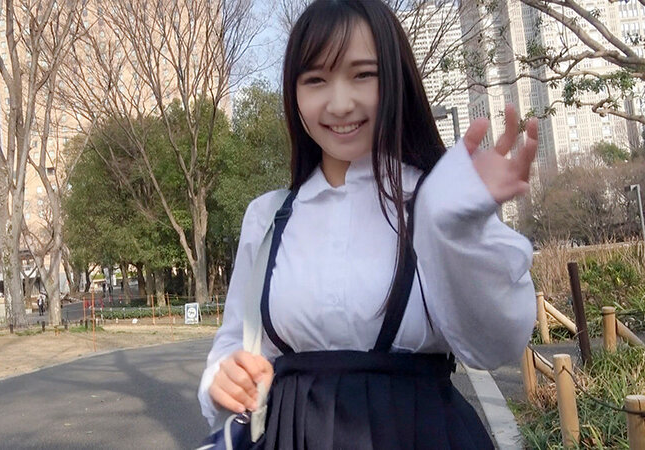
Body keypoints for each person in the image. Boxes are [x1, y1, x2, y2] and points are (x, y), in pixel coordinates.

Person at [197, 1, 538, 448]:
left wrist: (457, 228)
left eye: (363, 75)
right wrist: (221, 380)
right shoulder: (268, 217)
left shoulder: (438, 202)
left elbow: (494, 346)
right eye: (315, 80)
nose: (340, 104)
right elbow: (234, 344)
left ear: (396, 80)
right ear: (293, 94)